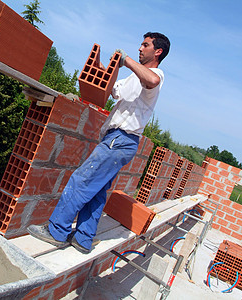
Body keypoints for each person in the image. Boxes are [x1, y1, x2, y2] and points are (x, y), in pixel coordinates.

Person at [28, 32, 170, 254]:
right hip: (119, 141)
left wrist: (126, 61)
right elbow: (111, 89)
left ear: (158, 51)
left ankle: (57, 231)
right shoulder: (134, 79)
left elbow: (151, 80)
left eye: (145, 45)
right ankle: (83, 239)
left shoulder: (154, 74)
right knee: (97, 190)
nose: (140, 48)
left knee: (81, 180)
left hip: (120, 139)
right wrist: (104, 68)